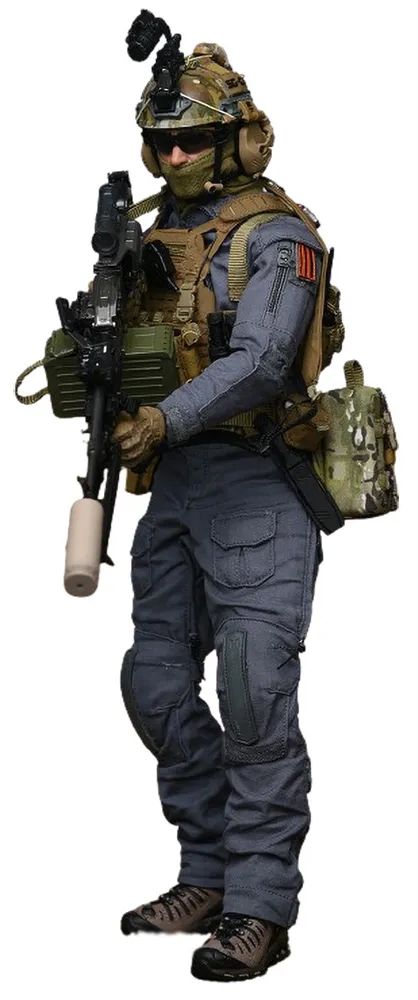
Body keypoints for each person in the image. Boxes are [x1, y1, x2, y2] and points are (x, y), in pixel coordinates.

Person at [113, 28, 327, 982]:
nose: (172, 158)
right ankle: (206, 872)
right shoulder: (149, 238)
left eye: (191, 141)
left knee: (252, 692)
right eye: (160, 142)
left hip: (257, 483)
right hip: (176, 490)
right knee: (154, 684)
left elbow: (264, 361)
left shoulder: (280, 237)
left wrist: (163, 418)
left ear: (239, 139)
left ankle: (259, 906)